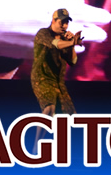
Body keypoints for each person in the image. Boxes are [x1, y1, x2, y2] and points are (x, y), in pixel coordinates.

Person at [31, 8, 82, 150]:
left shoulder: (65, 39)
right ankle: (35, 148)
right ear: (53, 21)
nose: (64, 26)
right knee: (50, 107)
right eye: (61, 22)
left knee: (71, 116)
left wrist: (71, 43)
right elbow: (56, 44)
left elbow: (73, 61)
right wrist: (72, 42)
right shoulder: (43, 33)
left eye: (66, 23)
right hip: (42, 78)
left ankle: (62, 148)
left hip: (58, 82)